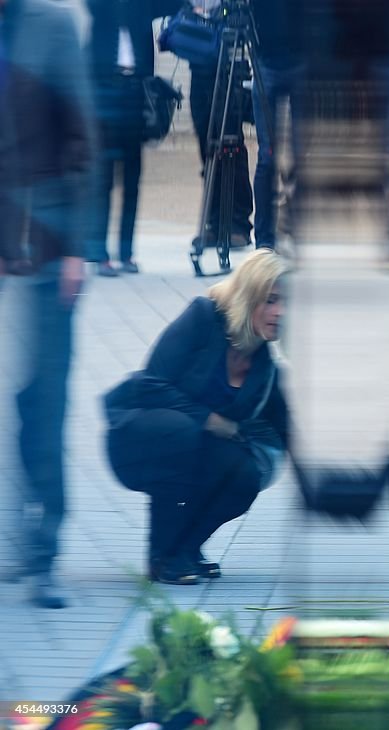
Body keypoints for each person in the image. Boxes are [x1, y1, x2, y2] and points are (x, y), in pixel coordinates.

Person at [103, 250, 290, 585]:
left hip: (189, 452)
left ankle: (184, 550)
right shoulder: (203, 317)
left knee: (245, 473)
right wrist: (209, 419)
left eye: (287, 302)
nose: (281, 312)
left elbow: (296, 434)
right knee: (182, 431)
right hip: (141, 441)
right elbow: (150, 384)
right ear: (249, 297)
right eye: (271, 300)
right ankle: (161, 555)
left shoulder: (264, 365)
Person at [0, 0, 95, 608]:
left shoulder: (52, 26)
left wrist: (75, 249)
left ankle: (45, 554)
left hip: (43, 247)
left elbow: (82, 136)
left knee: (43, 405)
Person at [85, 0, 179, 276]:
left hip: (136, 90)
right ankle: (98, 252)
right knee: (103, 177)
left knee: (132, 176)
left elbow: (173, 5)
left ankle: (126, 252)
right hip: (104, 89)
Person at [188, 0, 254, 250]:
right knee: (208, 149)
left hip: (230, 66)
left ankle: (238, 223)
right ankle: (213, 223)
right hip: (201, 67)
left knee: (232, 147)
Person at [251, 0, 304, 251]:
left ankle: (295, 228)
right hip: (266, 63)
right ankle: (263, 240)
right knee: (267, 157)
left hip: (299, 62)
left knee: (301, 156)